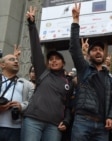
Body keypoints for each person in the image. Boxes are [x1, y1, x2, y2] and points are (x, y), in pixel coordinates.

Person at [21, 6, 74, 141]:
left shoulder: (68, 81)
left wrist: (66, 121)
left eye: (57, 59)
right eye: (51, 59)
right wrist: (32, 25)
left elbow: (68, 106)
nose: (53, 61)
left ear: (63, 63)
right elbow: (36, 49)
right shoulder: (42, 72)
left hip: (54, 126)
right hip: (33, 121)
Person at [69, 3, 112, 141]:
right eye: (94, 50)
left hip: (103, 125)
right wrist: (75, 21)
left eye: (101, 50)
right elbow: (74, 49)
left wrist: (111, 117)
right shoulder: (84, 69)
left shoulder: (109, 77)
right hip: (82, 121)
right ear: (89, 55)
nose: (98, 52)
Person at [0, 52, 34, 141]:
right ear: (2, 65)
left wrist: (21, 106)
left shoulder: (26, 84)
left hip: (16, 129)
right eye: (12, 60)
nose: (16, 61)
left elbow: (32, 103)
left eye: (17, 60)